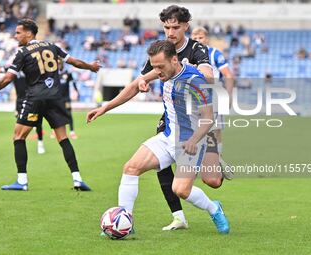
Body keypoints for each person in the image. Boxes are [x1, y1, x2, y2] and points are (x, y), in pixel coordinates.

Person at [87, 5, 227, 231]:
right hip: (173, 123)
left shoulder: (196, 49)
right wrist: (106, 107)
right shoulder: (160, 52)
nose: (170, 33)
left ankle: (212, 194)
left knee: (211, 181)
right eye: (166, 27)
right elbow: (137, 83)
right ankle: (127, 222)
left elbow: (208, 77)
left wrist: (188, 71)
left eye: (175, 27)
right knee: (132, 167)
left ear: (185, 27)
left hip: (203, 121)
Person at [0, 19, 100, 191]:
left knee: (18, 137)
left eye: (18, 32)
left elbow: (9, 78)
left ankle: (22, 181)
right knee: (63, 138)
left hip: (35, 99)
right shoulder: (52, 46)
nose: (15, 36)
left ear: (29, 33)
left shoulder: (22, 52)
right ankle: (77, 179)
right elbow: (74, 62)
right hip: (55, 97)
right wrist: (91, 67)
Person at [191, 27, 234, 164]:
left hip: (213, 94)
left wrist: (229, 95)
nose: (198, 40)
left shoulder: (214, 53)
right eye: (195, 38)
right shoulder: (189, 54)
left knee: (215, 129)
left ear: (207, 39)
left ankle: (217, 159)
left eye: (201, 38)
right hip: (194, 96)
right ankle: (196, 157)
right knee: (193, 126)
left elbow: (228, 75)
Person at [0, 66, 46, 154]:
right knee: (19, 123)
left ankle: (40, 143)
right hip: (20, 101)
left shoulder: (30, 66)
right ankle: (20, 147)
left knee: (37, 123)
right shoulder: (14, 68)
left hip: (31, 100)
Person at [50, 58, 79, 139]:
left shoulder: (67, 73)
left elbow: (73, 82)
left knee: (68, 114)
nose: (58, 65)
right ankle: (54, 131)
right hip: (56, 98)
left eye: (59, 63)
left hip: (66, 98)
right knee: (56, 115)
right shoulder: (53, 73)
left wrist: (76, 91)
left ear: (62, 64)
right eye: (57, 63)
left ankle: (72, 132)